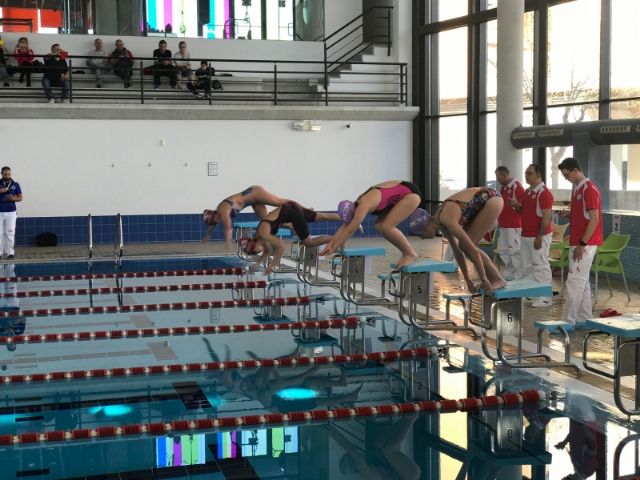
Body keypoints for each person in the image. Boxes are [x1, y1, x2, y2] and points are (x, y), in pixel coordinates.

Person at [418, 187, 506, 295]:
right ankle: (494, 279)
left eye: (422, 233)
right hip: (485, 200)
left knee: (467, 247)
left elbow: (472, 250)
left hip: (491, 199)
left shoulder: (447, 220)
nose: (422, 237)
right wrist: (467, 279)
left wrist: (483, 278)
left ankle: (497, 279)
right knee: (463, 247)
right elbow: (457, 252)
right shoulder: (440, 221)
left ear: (427, 225)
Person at [320, 180, 422, 268]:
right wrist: (333, 242)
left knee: (387, 226)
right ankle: (406, 253)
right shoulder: (355, 205)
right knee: (379, 225)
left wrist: (333, 247)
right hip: (397, 194)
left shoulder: (363, 205)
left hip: (410, 194)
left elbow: (350, 230)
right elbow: (346, 226)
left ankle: (410, 253)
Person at [558, 157, 602, 329]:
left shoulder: (589, 189)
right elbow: (585, 217)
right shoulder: (577, 188)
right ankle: (584, 318)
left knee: (574, 281)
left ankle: (568, 321)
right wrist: (570, 215)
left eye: (567, 175)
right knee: (582, 281)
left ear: (576, 170)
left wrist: (582, 244)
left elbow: (595, 219)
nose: (566, 178)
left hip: (585, 243)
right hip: (578, 241)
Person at [239, 201, 341, 274]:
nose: (256, 253)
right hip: (291, 208)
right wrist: (255, 266)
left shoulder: (263, 234)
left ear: (254, 245)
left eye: (254, 252)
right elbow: (267, 251)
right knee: (322, 216)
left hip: (292, 214)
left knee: (309, 242)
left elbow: (281, 246)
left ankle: (337, 237)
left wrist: (273, 265)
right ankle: (346, 218)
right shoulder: (261, 239)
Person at [512, 163, 553, 307]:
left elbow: (547, 217)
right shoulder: (527, 192)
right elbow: (522, 212)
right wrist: (517, 206)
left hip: (538, 235)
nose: (526, 176)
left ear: (538, 175)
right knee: (527, 266)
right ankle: (530, 293)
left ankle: (545, 297)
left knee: (540, 265)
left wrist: (539, 236)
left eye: (529, 173)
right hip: (525, 234)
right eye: (525, 173)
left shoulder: (544, 193)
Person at [202, 185, 290, 252]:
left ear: (214, 216)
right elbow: (213, 224)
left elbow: (228, 229)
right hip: (253, 201)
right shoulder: (218, 215)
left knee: (281, 202)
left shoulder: (223, 210)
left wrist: (228, 246)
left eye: (214, 222)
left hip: (255, 193)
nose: (217, 222)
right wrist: (208, 235)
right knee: (267, 221)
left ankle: (296, 208)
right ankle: (291, 225)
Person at [495, 166, 524, 280]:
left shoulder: (517, 187)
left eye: (498, 177)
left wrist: (516, 205)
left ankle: (519, 275)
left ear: (505, 175)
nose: (497, 180)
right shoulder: (504, 188)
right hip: (504, 224)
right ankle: (509, 273)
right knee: (504, 251)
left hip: (514, 225)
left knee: (514, 251)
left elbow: (524, 207)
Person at [0, 167, 22, 260]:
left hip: (11, 212)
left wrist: (14, 199)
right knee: (0, 233)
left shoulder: (15, 184)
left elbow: (20, 198)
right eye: (5, 174)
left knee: (10, 232)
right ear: (1, 174)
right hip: (0, 212)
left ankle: (10, 253)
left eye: (9, 174)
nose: (7, 176)